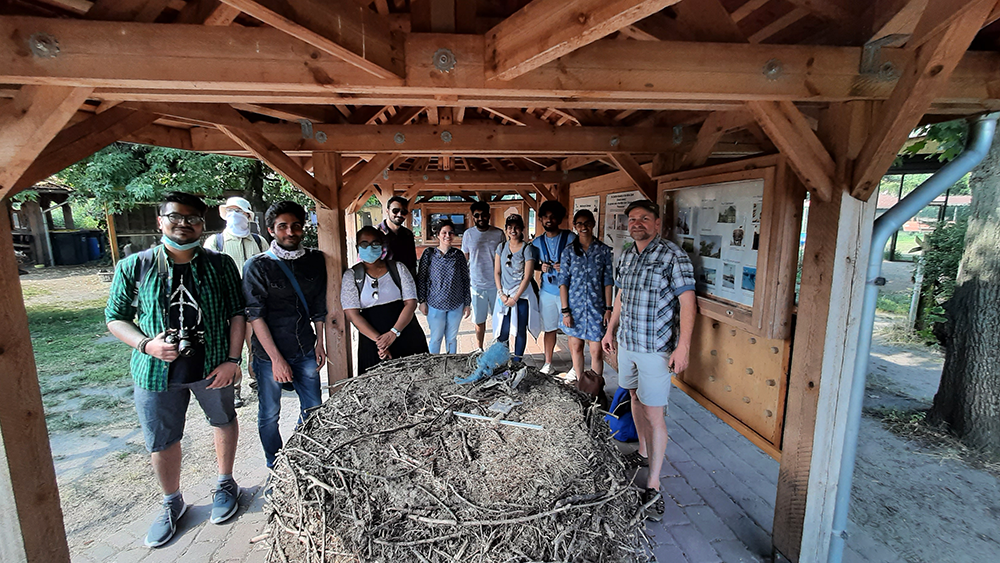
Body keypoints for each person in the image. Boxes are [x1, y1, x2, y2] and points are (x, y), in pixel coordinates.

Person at [105, 192, 245, 547]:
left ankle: (226, 483)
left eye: (192, 218)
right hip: (155, 371)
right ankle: (172, 502)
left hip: (213, 364)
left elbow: (237, 313)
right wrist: (146, 344)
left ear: (203, 223)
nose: (184, 224)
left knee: (223, 420)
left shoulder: (220, 264)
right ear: (160, 221)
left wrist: (233, 360)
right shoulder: (134, 266)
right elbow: (115, 318)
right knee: (162, 437)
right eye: (175, 217)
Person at [601, 199, 696, 522]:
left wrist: (683, 347)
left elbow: (687, 303)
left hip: (656, 348)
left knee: (656, 415)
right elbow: (621, 297)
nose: (636, 223)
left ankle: (653, 486)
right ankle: (642, 453)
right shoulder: (628, 254)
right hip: (627, 343)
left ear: (657, 224)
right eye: (632, 219)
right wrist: (611, 329)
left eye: (644, 218)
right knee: (634, 399)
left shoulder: (673, 256)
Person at [242, 201, 327, 469]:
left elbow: (319, 307)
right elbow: (255, 315)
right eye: (283, 227)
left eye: (296, 226)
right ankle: (275, 465)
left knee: (313, 407)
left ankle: (302, 456)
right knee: (270, 413)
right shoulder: (257, 266)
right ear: (270, 230)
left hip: (305, 349)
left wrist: (320, 344)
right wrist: (276, 359)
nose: (290, 232)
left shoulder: (314, 260)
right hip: (269, 355)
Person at [205, 196, 267, 408]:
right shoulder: (215, 243)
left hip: (255, 305)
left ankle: (259, 380)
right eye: (230, 211)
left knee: (256, 346)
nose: (234, 215)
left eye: (239, 211)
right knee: (232, 349)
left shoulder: (259, 242)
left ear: (248, 216)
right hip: (226, 308)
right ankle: (234, 388)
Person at [342, 226, 428, 374]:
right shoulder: (351, 276)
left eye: (375, 243)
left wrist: (394, 332)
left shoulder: (398, 268)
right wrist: (380, 342)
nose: (369, 247)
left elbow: (410, 303)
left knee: (416, 378)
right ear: (357, 247)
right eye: (364, 244)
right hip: (372, 341)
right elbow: (352, 314)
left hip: (406, 333)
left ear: (382, 245)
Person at [559, 209, 613, 381]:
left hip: (597, 309)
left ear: (593, 224)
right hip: (574, 309)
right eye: (580, 223)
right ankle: (581, 385)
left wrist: (609, 308)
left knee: (597, 351)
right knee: (576, 348)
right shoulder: (569, 252)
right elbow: (563, 283)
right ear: (575, 226)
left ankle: (596, 387)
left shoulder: (603, 251)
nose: (584, 227)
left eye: (587, 223)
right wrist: (565, 311)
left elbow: (608, 281)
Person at [532, 200, 575, 375]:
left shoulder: (571, 238)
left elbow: (580, 262)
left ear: (559, 219)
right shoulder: (536, 242)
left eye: (553, 217)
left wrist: (566, 266)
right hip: (547, 292)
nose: (549, 220)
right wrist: (539, 267)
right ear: (541, 219)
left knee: (572, 330)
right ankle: (548, 363)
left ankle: (575, 366)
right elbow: (530, 264)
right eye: (546, 217)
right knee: (549, 329)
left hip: (569, 292)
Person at [417, 220, 471, 354]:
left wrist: (467, 303)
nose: (448, 235)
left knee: (452, 338)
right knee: (435, 338)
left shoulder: (458, 255)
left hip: (456, 304)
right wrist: (422, 301)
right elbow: (422, 278)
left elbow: (465, 279)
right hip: (435, 304)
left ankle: (451, 364)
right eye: (444, 232)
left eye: (451, 233)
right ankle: (433, 366)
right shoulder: (429, 254)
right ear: (438, 235)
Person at [493, 214, 540, 361]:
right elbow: (497, 272)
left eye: (516, 227)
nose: (513, 230)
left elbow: (527, 276)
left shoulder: (527, 249)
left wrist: (515, 297)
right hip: (504, 294)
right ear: (506, 230)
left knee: (520, 329)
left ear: (522, 229)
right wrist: (501, 293)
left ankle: (518, 360)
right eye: (510, 227)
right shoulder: (501, 247)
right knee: (503, 329)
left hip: (522, 295)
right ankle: (503, 358)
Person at [462, 201, 505, 351]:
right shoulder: (468, 234)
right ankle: (479, 349)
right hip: (476, 284)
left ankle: (499, 349)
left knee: (499, 320)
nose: (481, 218)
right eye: (477, 215)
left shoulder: (499, 234)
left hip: (497, 285)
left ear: (489, 215)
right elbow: (465, 259)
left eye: (484, 214)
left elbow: (506, 257)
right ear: (473, 217)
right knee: (479, 320)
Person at [378, 195, 418, 279]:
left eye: (403, 212)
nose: (399, 214)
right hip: (384, 280)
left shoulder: (408, 234)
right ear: (387, 211)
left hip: (404, 281)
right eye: (395, 211)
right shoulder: (375, 233)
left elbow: (412, 263)